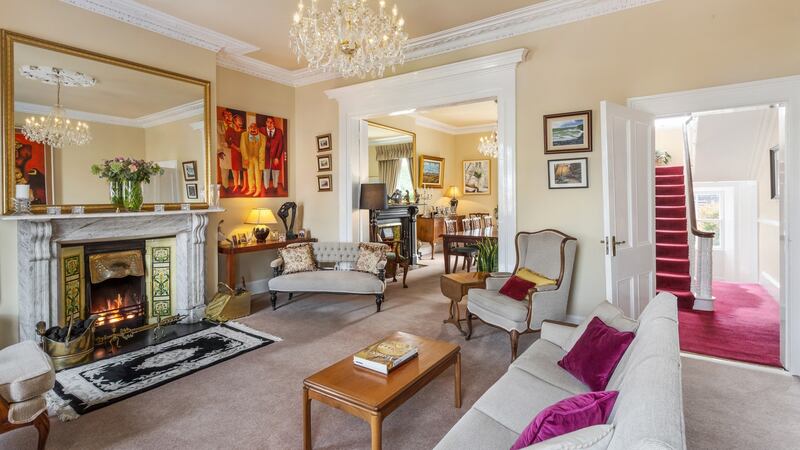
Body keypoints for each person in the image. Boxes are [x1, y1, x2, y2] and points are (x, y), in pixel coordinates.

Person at [240, 115, 266, 197]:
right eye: (251, 127)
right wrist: (245, 158)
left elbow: (262, 150)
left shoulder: (263, 137)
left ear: (258, 129)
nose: (253, 129)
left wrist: (261, 161)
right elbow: (243, 147)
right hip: (248, 158)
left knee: (258, 175)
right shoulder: (244, 135)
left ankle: (258, 190)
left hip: (258, 158)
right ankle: (251, 189)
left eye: (255, 128)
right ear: (248, 128)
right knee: (250, 173)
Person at [263, 116, 285, 195]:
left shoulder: (279, 131)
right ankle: (266, 187)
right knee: (266, 172)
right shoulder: (262, 130)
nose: (270, 124)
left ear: (274, 123)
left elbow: (281, 145)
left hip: (276, 155)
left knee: (276, 172)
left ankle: (275, 187)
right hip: (266, 155)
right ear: (266, 123)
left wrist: (277, 157)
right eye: (268, 122)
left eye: (272, 122)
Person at [225, 112, 245, 193]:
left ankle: (244, 185)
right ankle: (236, 185)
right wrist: (236, 148)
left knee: (243, 169)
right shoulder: (230, 130)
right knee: (235, 169)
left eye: (241, 121)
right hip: (235, 152)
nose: (240, 122)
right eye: (239, 120)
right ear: (234, 121)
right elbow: (227, 140)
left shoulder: (244, 131)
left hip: (243, 152)